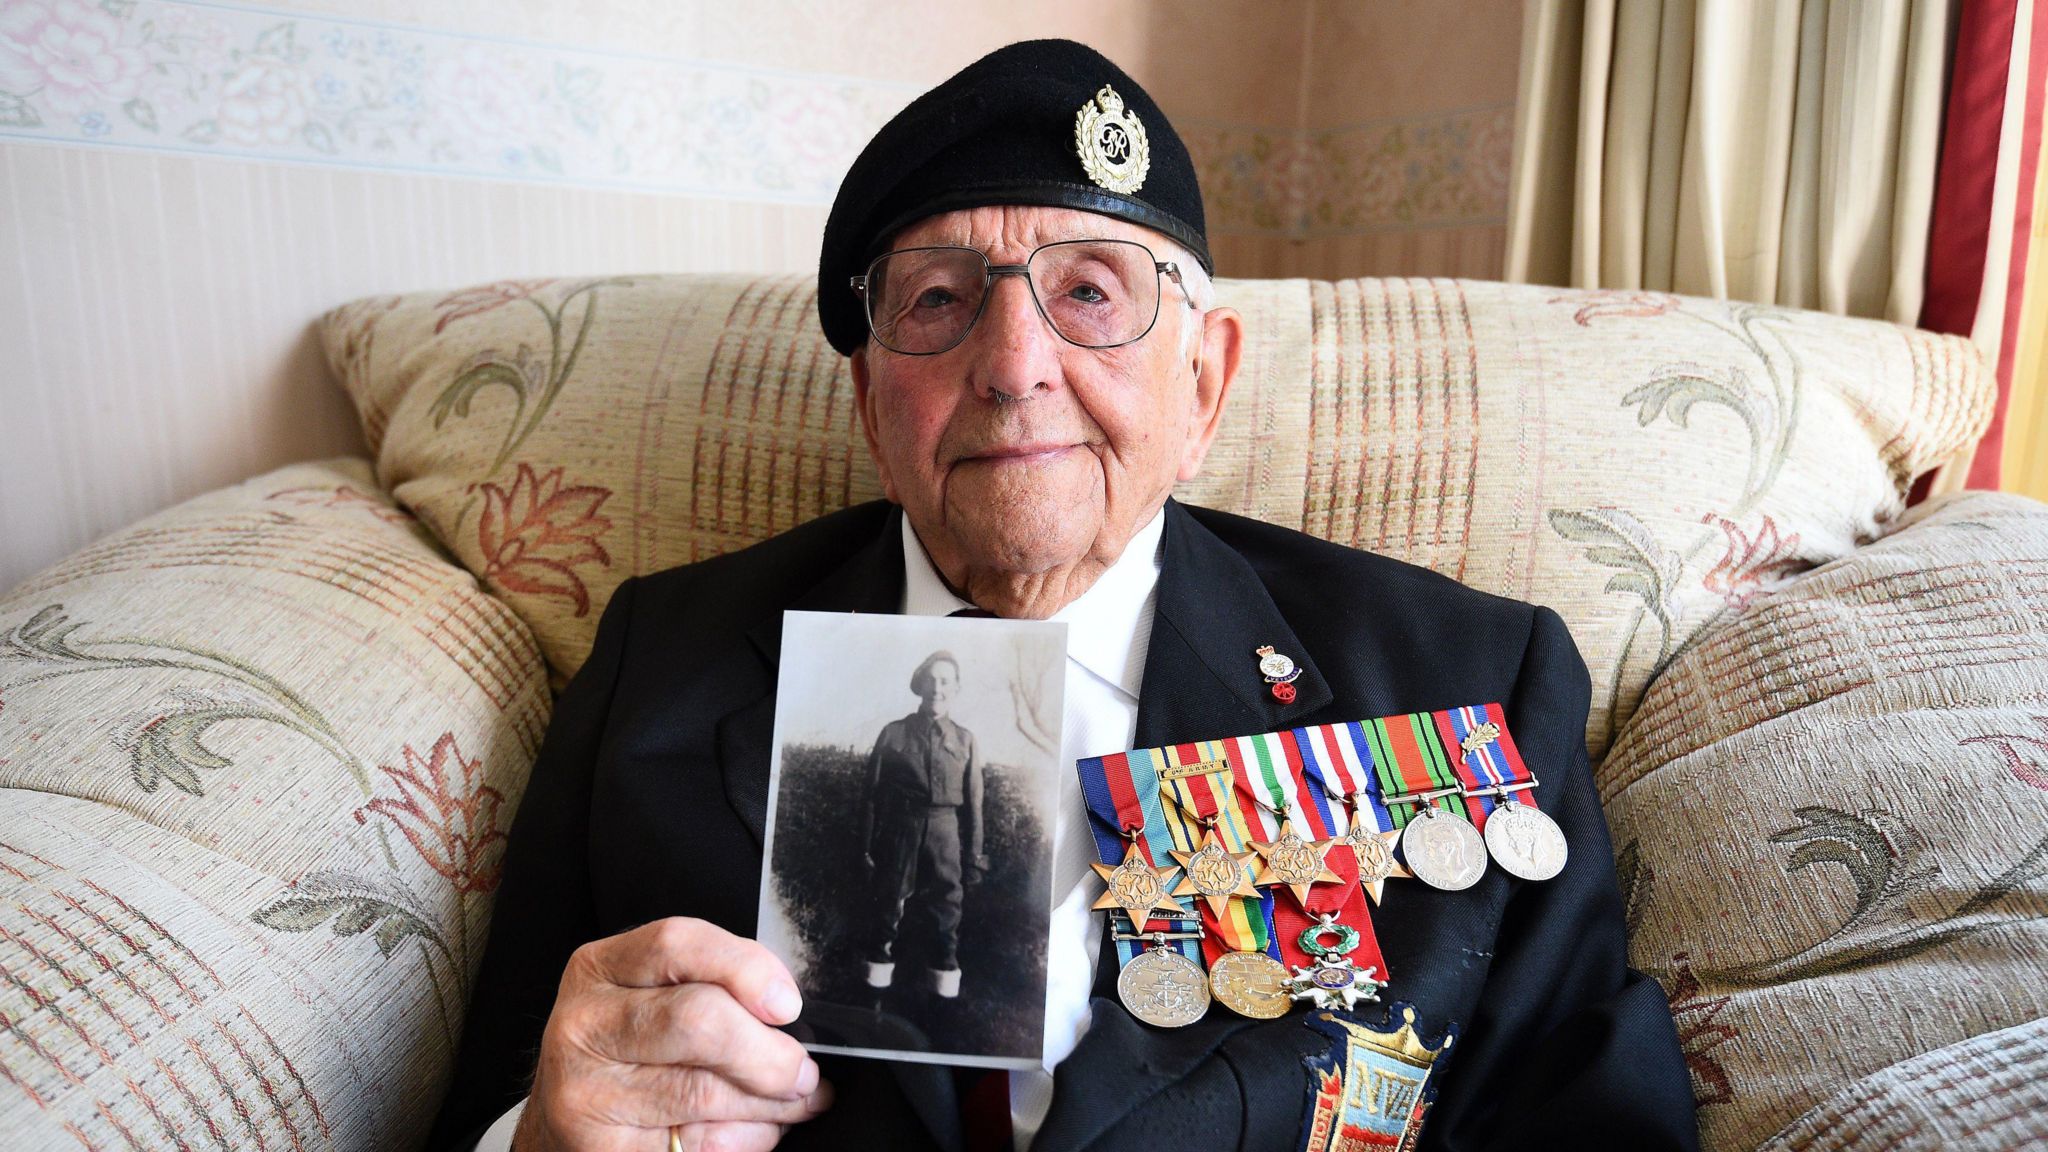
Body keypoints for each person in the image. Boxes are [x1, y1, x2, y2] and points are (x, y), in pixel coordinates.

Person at [430, 38, 1699, 1152]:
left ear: (1203, 382)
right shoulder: (661, 662)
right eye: (937, 300)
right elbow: (494, 1100)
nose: (1013, 365)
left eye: (1089, 291)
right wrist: (540, 1138)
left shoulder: (1467, 679)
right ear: (872, 404)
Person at [859, 650, 986, 998]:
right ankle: (875, 993)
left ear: (956, 688)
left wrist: (973, 857)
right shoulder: (893, 733)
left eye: (945, 681)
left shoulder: (965, 739)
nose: (937, 687)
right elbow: (871, 795)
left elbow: (974, 805)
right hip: (901, 828)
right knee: (888, 903)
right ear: (919, 685)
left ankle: (942, 992)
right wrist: (865, 847)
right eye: (931, 679)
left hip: (945, 832)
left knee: (947, 907)